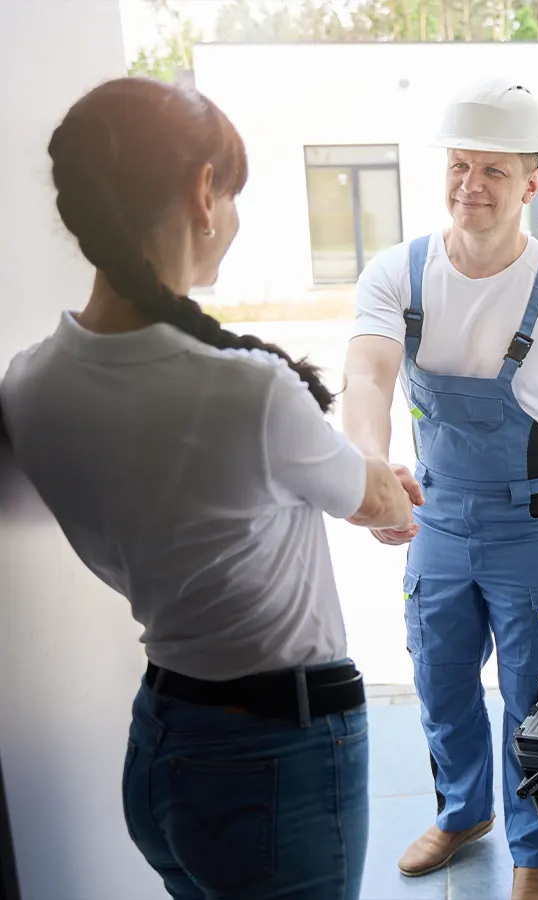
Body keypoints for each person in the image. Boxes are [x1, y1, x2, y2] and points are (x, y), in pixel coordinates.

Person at [0, 77, 420, 900]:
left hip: (161, 749)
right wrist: (384, 488)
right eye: (231, 192)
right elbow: (378, 502)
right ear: (203, 193)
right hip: (277, 759)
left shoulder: (28, 385)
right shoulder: (249, 391)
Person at [342, 77, 538, 900]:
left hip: (537, 528)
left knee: (534, 697)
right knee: (438, 677)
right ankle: (463, 810)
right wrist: (370, 467)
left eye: (493, 171)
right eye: (459, 165)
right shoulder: (399, 273)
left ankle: (534, 854)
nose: (470, 184)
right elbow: (365, 377)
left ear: (532, 182)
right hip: (438, 517)